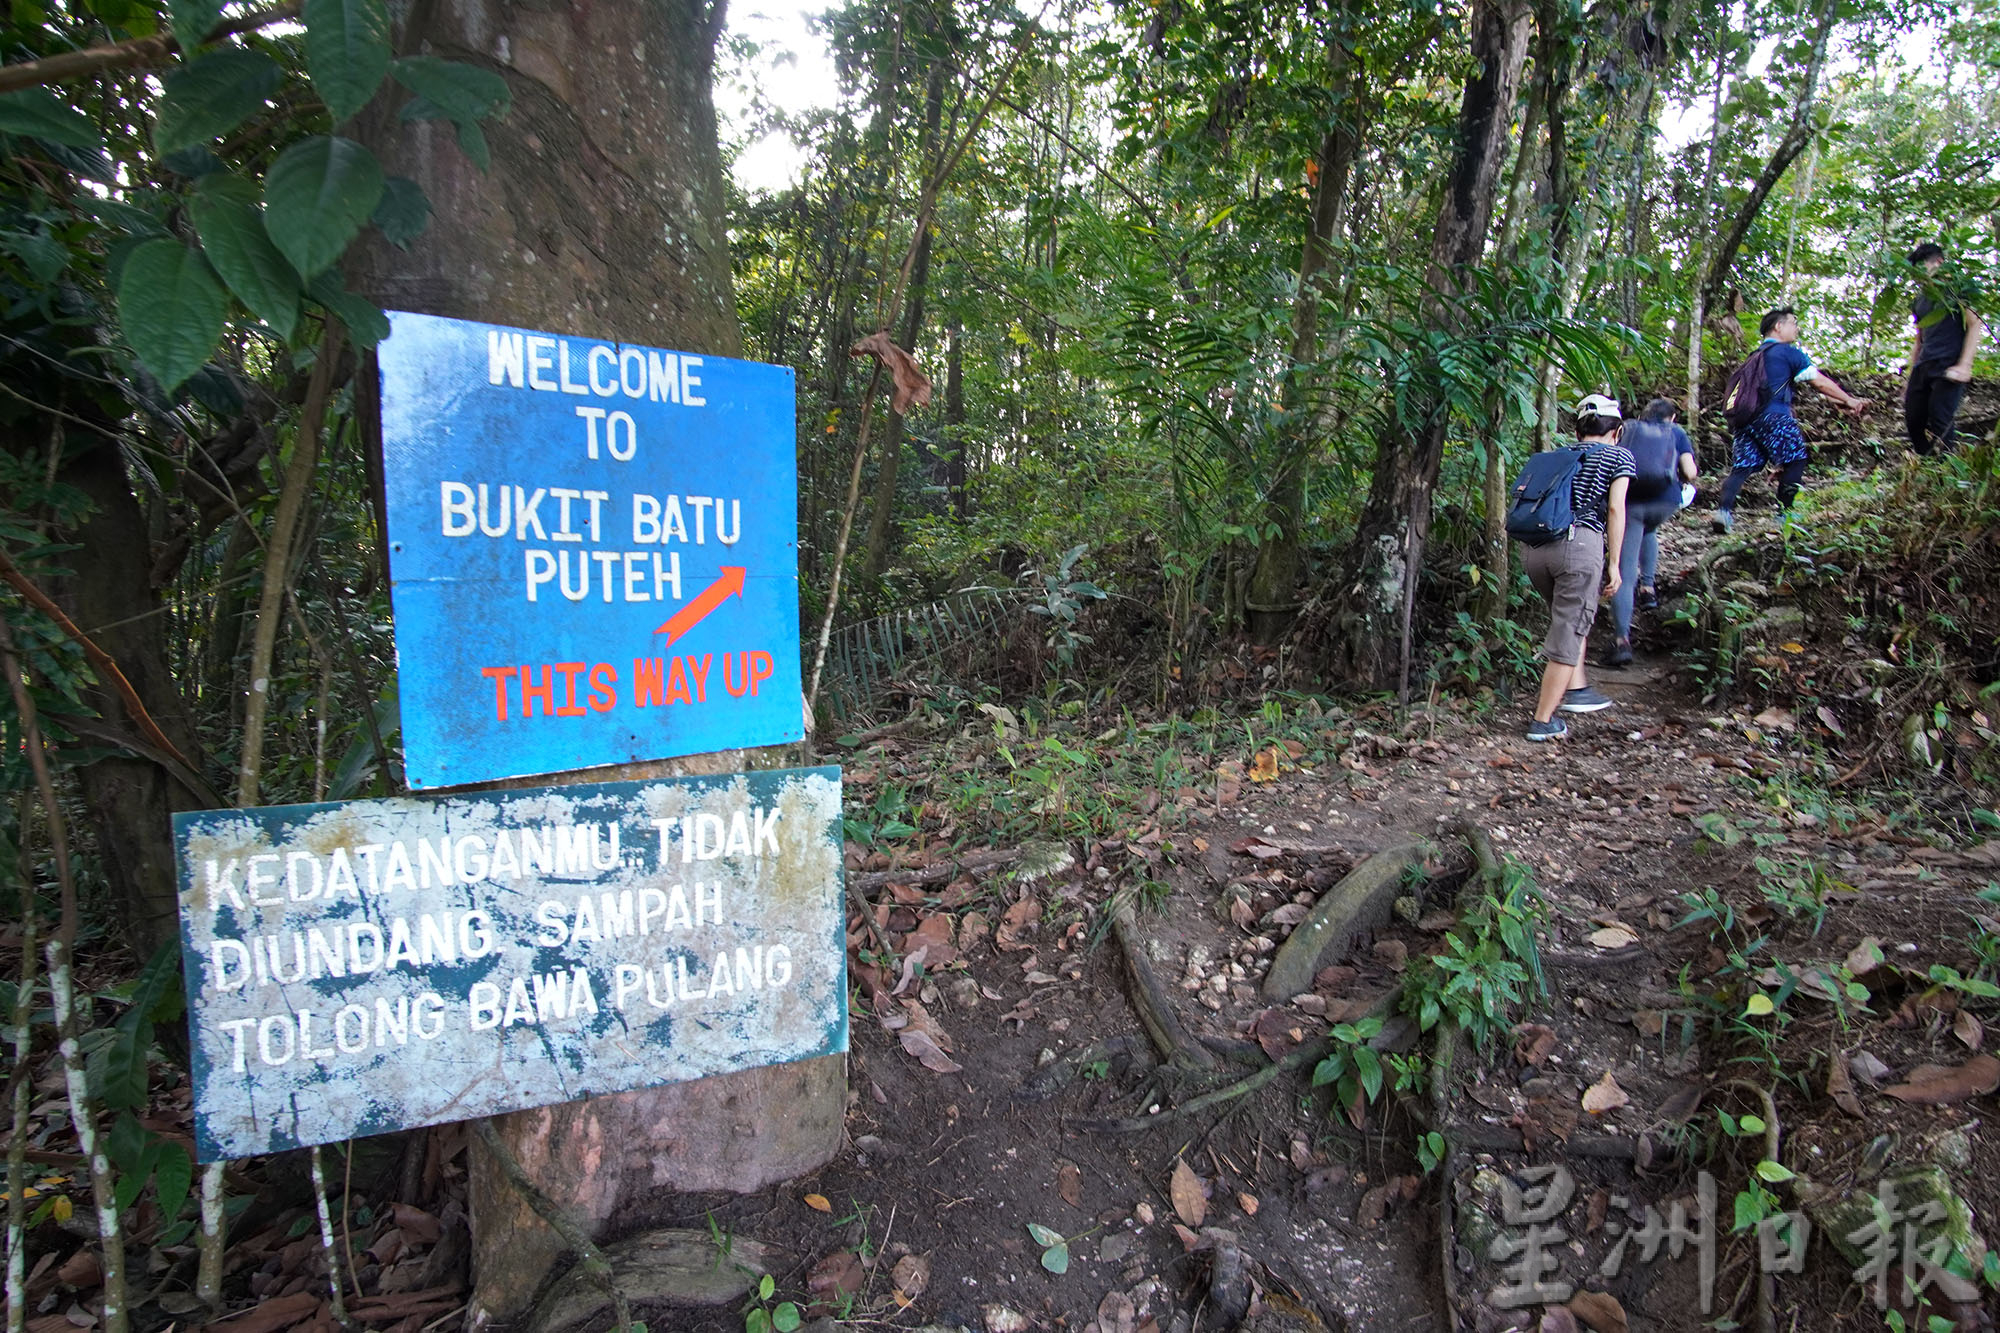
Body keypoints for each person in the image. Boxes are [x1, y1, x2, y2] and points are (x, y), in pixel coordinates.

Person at [1523, 394, 1633, 743]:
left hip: (1535, 550)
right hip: (1578, 546)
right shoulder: (1618, 456)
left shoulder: (1559, 456)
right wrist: (1614, 563)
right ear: (1617, 431)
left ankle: (1577, 689)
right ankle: (1543, 721)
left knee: (1569, 621)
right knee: (1570, 628)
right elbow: (1616, 510)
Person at [1712, 307, 1871, 533]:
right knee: (1795, 460)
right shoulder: (1788, 353)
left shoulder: (1753, 358)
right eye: (1793, 323)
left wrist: (1838, 402)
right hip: (1774, 415)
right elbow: (1819, 382)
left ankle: (1723, 513)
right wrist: (1850, 400)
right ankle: (1784, 517)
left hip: (1745, 420)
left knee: (1742, 467)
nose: (1796, 328)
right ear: (1779, 326)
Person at [1602, 397, 1696, 666]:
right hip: (1664, 503)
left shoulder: (1628, 429)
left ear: (1643, 416)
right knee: (1649, 529)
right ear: (1672, 417)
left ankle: (1622, 641)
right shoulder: (1676, 432)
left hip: (1629, 503)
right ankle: (1648, 589)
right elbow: (1690, 472)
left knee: (1623, 569)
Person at [1904, 242, 1985, 456]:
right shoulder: (1920, 300)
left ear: (1939, 263)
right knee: (1913, 419)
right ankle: (1929, 464)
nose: (1919, 277)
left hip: (1948, 363)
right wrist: (1913, 371)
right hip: (1924, 366)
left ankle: (1948, 472)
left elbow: (1975, 323)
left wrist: (1965, 365)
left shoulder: (1957, 290)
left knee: (1941, 417)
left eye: (1923, 269)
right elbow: (1919, 338)